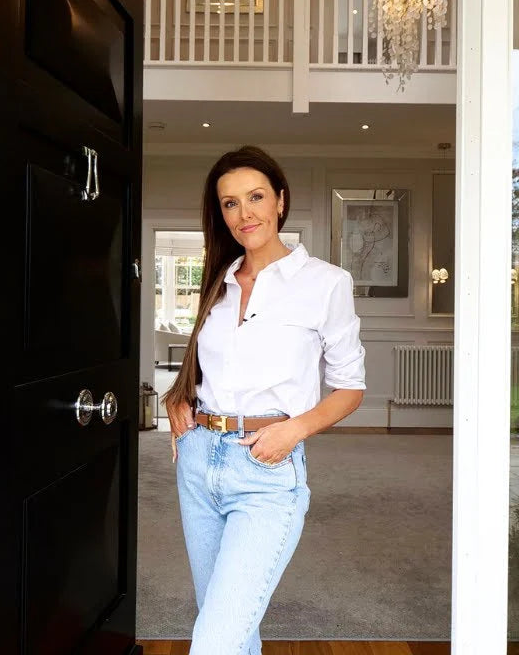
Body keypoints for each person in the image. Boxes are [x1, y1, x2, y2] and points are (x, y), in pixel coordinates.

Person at [162, 145, 367, 655]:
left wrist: (293, 430)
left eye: (255, 197)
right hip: (197, 463)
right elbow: (205, 366)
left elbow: (351, 387)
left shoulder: (325, 283)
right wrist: (179, 402)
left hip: (266, 468)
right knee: (233, 627)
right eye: (229, 203)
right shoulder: (220, 281)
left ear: (281, 200)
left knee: (215, 640)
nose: (243, 213)